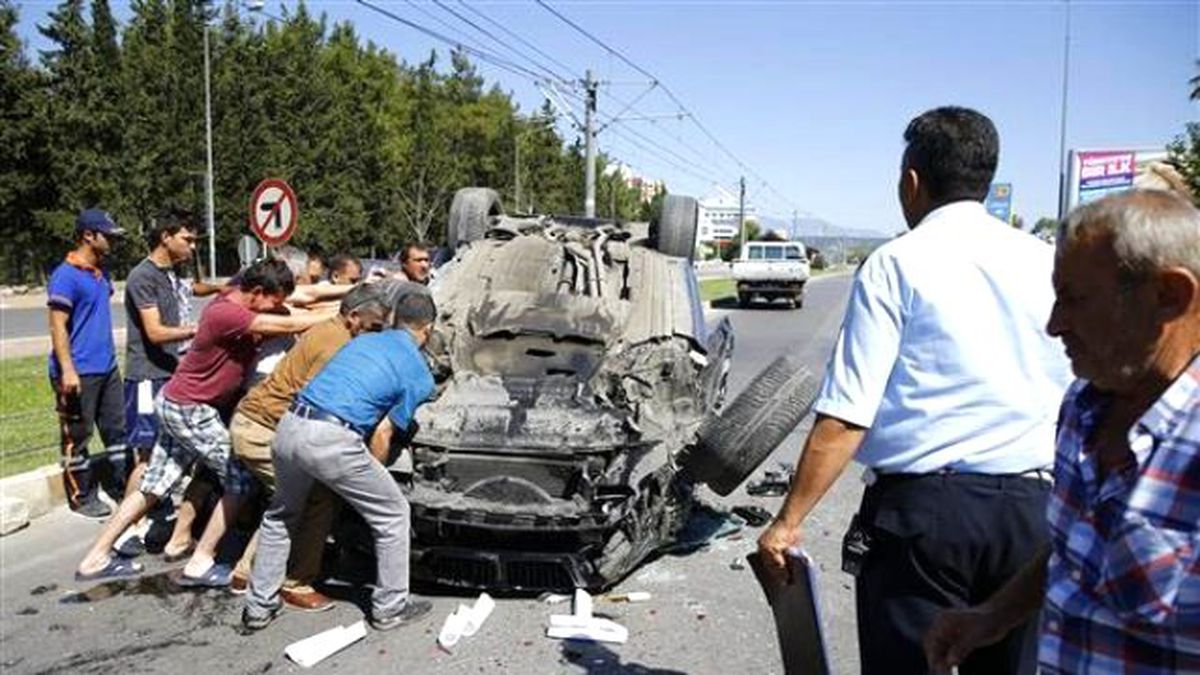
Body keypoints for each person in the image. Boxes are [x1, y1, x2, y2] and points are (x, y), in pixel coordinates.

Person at [756, 106, 1072, 675]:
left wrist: (789, 520)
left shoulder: (895, 263)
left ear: (912, 183)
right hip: (1032, 516)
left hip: (925, 522)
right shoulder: (1046, 261)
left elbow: (848, 415)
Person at [925, 190, 1200, 674]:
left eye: (1073, 300)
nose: (1054, 325)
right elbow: (1078, 544)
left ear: (1169, 297)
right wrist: (993, 615)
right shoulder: (1084, 405)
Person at [74, 259, 335, 584]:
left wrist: (347, 294)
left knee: (154, 485)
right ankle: (201, 562)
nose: (277, 308)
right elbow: (290, 324)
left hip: (177, 402)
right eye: (274, 301)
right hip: (191, 408)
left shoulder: (235, 296)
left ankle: (95, 558)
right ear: (256, 292)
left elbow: (303, 300)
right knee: (240, 478)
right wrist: (340, 317)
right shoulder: (229, 314)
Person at [243, 291, 438, 632]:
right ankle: (390, 608)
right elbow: (382, 432)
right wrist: (370, 476)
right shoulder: (419, 372)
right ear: (429, 329)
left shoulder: (362, 342)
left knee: (281, 515)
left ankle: (259, 607)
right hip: (331, 438)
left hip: (289, 428)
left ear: (393, 319)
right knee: (393, 514)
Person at [118, 211, 203, 554]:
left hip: (170, 375)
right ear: (165, 237)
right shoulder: (143, 276)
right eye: (188, 239)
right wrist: (200, 330)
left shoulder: (171, 274)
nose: (193, 246)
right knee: (146, 454)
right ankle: (126, 529)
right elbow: (154, 333)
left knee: (166, 451)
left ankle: (154, 514)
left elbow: (195, 289)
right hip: (145, 378)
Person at [48, 209, 127, 519]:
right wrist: (68, 369)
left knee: (118, 431)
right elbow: (57, 326)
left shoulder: (100, 274)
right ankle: (81, 496)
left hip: (107, 368)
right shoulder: (65, 276)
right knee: (77, 438)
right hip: (77, 372)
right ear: (88, 235)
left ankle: (122, 486)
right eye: (108, 235)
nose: (113, 242)